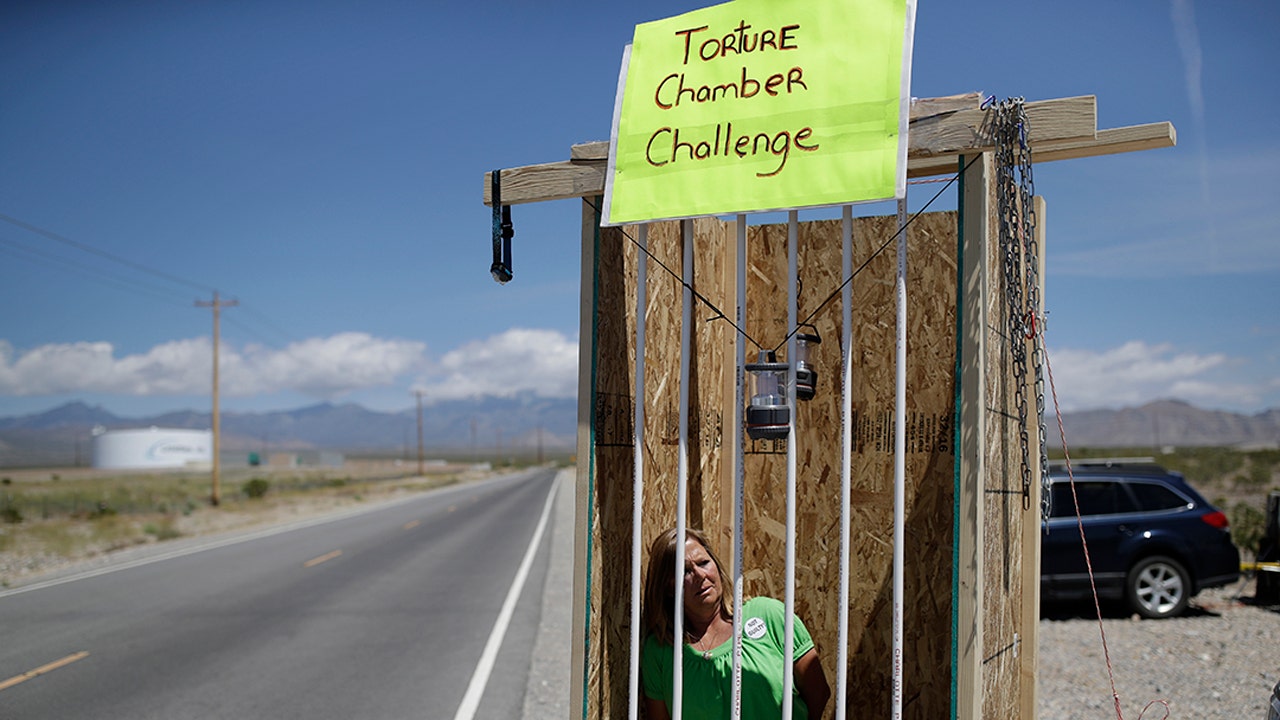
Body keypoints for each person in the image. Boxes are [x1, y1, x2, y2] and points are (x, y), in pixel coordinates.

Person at [641, 527, 830, 720]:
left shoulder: (770, 615)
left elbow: (819, 692)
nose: (700, 575)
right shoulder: (660, 650)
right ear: (668, 587)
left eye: (703, 563)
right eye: (685, 571)